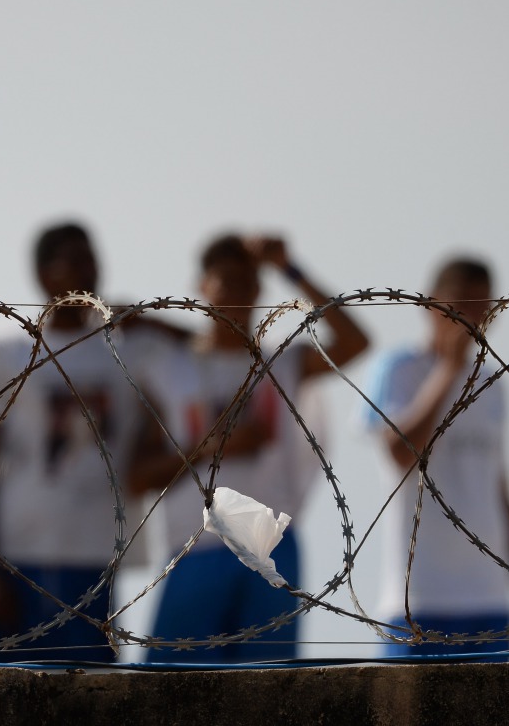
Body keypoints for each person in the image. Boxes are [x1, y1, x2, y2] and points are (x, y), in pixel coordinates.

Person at [0, 222, 201, 662]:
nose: (90, 270)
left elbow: (210, 348)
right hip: (18, 551)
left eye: (92, 259)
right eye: (76, 261)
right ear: (46, 273)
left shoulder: (128, 348)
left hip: (94, 553)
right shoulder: (1, 351)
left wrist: (144, 317)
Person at [144, 234, 369, 663]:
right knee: (171, 689)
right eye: (223, 281)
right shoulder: (169, 368)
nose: (234, 293)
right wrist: (211, 447)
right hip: (195, 544)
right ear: (202, 285)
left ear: (259, 291)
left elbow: (356, 342)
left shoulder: (282, 362)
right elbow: (137, 472)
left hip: (269, 544)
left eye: (245, 283)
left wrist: (290, 267)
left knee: (268, 689)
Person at [363, 257, 509, 658]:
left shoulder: (492, 384)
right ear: (432, 305)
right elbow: (401, 452)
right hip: (419, 598)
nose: (472, 320)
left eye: (483, 308)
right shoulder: (400, 368)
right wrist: (448, 369)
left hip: (488, 597)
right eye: (460, 306)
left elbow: (497, 483)